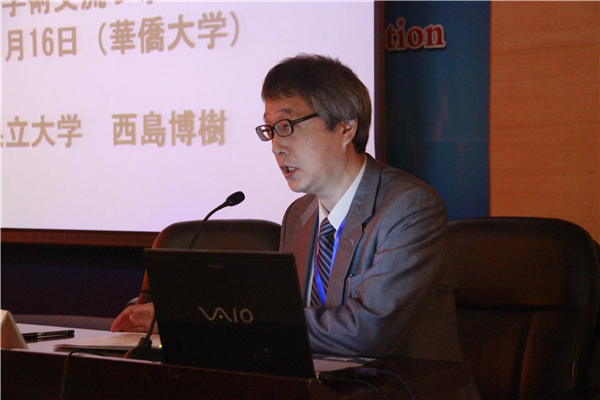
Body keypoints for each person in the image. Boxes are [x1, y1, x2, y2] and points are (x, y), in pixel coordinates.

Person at [112, 54, 464, 363]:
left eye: (287, 126)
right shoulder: (299, 216)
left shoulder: (409, 208)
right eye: (270, 130)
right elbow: (284, 321)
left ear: (346, 127)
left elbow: (368, 331)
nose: (276, 147)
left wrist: (208, 322)